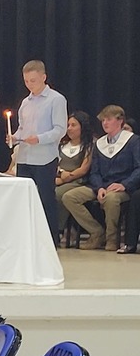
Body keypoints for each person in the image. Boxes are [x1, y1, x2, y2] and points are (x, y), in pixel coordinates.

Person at [62, 105, 140, 250]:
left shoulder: (133, 142)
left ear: (120, 121)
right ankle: (97, 232)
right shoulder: (100, 143)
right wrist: (99, 188)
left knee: (111, 199)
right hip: (101, 186)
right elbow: (95, 171)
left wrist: (124, 185)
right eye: (103, 120)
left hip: (122, 187)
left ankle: (112, 239)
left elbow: (138, 168)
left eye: (109, 120)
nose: (105, 123)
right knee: (70, 197)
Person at [8, 60, 67, 245]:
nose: (29, 84)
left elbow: (60, 129)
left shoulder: (56, 99)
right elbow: (22, 128)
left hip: (44, 158)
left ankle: (51, 239)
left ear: (43, 77)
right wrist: (14, 137)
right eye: (26, 81)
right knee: (25, 199)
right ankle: (28, 238)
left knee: (46, 198)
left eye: (33, 80)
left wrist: (39, 138)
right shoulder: (26, 102)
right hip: (25, 157)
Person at [54, 111, 94, 244]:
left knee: (58, 193)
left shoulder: (88, 146)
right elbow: (55, 164)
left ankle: (58, 230)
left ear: (82, 127)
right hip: (60, 178)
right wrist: (60, 175)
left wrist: (66, 177)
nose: (69, 128)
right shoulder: (61, 145)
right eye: (68, 125)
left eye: (73, 125)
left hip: (78, 181)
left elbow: (84, 169)